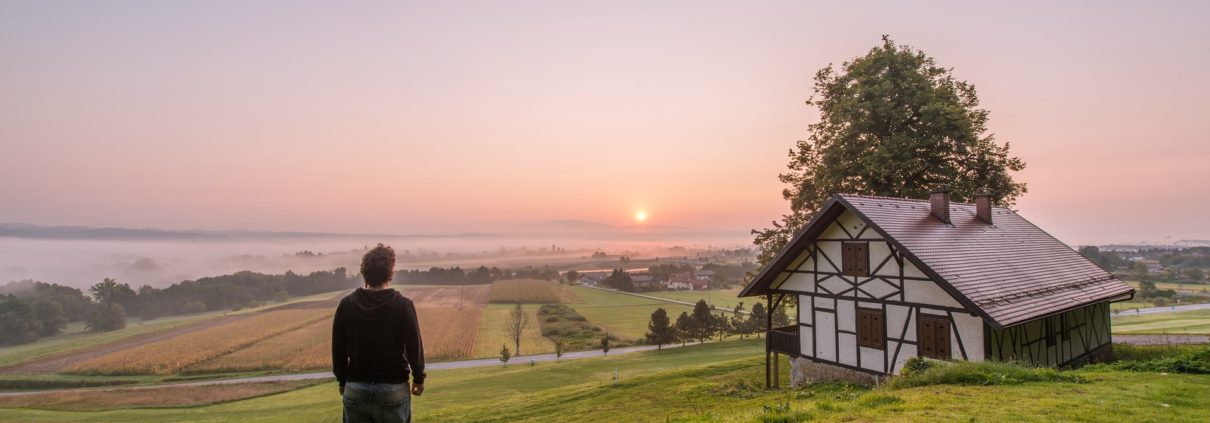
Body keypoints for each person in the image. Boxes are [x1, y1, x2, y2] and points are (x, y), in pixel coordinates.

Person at [333, 244, 425, 423]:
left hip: (355, 389)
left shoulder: (346, 305)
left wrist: (342, 381)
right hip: (393, 390)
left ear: (364, 273)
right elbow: (414, 347)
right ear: (390, 273)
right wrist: (419, 378)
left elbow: (338, 348)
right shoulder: (403, 305)